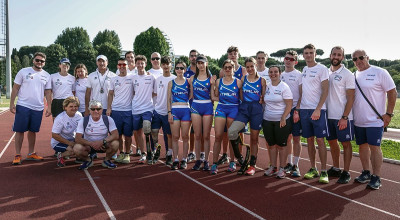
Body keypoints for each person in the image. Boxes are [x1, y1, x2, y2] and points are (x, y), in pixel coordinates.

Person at [352, 49, 397, 190]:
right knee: (362, 146)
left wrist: (388, 114)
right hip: (358, 120)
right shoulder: (353, 75)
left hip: (375, 120)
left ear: (367, 58)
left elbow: (392, 92)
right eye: (355, 59)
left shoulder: (380, 72)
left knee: (375, 147)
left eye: (361, 57)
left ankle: (376, 176)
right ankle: (366, 172)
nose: (358, 61)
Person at [10, 52, 52, 165]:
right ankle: (17, 154)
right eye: (37, 60)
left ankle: (31, 153)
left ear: (44, 62)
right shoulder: (23, 71)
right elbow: (15, 88)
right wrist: (11, 103)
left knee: (33, 131)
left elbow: (48, 92)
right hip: (23, 105)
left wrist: (49, 107)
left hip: (38, 107)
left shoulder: (47, 75)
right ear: (33, 60)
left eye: (42, 61)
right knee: (19, 130)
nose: (39, 62)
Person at [228, 57, 266, 175]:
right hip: (244, 109)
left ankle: (252, 165)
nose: (250, 69)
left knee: (254, 139)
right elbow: (240, 94)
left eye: (251, 66)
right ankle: (240, 158)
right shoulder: (243, 79)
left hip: (256, 110)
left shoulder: (262, 80)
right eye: (247, 67)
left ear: (255, 66)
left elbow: (263, 98)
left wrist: (260, 100)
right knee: (232, 131)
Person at [299, 44, 330, 184]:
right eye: (306, 53)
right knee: (309, 140)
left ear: (315, 54)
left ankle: (324, 171)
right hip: (304, 110)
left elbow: (325, 90)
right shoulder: (304, 69)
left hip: (318, 110)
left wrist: (318, 109)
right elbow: (302, 91)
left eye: (311, 52)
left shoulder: (322, 69)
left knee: (320, 140)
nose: (309, 55)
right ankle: (313, 168)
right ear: (303, 55)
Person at [326, 46, 355, 184]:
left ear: (342, 57)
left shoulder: (347, 74)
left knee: (346, 143)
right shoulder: (326, 72)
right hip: (328, 116)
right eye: (334, 54)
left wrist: (345, 117)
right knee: (332, 142)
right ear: (330, 55)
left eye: (339, 55)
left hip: (342, 117)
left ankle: (346, 171)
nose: (336, 57)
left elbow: (351, 98)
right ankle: (336, 168)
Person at [210, 59, 242, 175]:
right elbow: (214, 97)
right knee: (218, 136)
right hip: (222, 108)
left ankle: (232, 161)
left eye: (230, 67)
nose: (228, 69)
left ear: (234, 69)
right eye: (226, 67)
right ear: (223, 69)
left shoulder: (238, 82)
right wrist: (212, 85)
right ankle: (214, 163)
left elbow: (242, 98)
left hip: (234, 109)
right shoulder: (218, 81)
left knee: (232, 136)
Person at [263, 66, 293, 179]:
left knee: (281, 145)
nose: (273, 74)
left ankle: (282, 168)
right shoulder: (267, 86)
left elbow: (289, 104)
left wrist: (284, 117)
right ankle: (273, 167)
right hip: (267, 120)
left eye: (275, 72)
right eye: (271, 72)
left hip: (281, 121)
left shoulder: (284, 87)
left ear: (280, 73)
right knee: (271, 145)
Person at [74, 100, 119, 170]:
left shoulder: (108, 119)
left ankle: (107, 160)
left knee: (115, 143)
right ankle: (88, 160)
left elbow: (116, 135)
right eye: (93, 109)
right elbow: (77, 138)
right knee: (76, 148)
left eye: (98, 109)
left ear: (102, 110)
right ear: (89, 110)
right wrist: (91, 144)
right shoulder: (83, 120)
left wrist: (102, 142)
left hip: (103, 145)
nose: (96, 111)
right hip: (88, 146)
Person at [189, 54, 216, 171]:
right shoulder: (192, 79)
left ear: (206, 63)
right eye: (198, 63)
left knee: (206, 136)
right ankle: (198, 160)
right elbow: (189, 95)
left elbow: (214, 95)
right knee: (197, 135)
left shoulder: (211, 79)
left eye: (202, 63)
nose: (200, 65)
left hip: (207, 107)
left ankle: (206, 160)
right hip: (195, 106)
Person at [107, 58, 134, 164]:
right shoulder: (113, 79)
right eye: (120, 65)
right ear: (117, 66)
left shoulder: (132, 77)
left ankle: (127, 154)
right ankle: (121, 153)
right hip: (116, 110)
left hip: (128, 110)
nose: (122, 67)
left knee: (128, 135)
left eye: (124, 64)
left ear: (127, 65)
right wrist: (109, 108)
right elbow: (110, 94)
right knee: (118, 135)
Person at [280, 50, 303, 177]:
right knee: (287, 138)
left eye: (291, 59)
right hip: (283, 111)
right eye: (287, 58)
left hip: (295, 110)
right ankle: (289, 163)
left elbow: (301, 94)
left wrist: (297, 110)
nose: (288, 61)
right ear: (284, 59)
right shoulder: (280, 75)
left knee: (296, 138)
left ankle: (296, 165)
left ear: (295, 61)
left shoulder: (299, 75)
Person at [151, 56, 176, 166]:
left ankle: (169, 154)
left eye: (168, 64)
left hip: (169, 112)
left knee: (169, 135)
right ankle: (157, 150)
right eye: (164, 64)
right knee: (154, 132)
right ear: (161, 66)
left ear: (171, 65)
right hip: (158, 110)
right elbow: (155, 94)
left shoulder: (175, 79)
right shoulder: (158, 79)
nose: (166, 66)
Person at [132, 55, 156, 164]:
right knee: (137, 132)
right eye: (138, 63)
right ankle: (143, 153)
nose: (140, 65)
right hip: (136, 108)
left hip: (147, 107)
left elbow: (155, 92)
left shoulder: (151, 78)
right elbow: (132, 92)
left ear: (145, 64)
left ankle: (151, 150)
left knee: (147, 127)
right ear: (135, 64)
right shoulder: (133, 78)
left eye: (142, 63)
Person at [167, 61, 191, 169]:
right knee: (175, 137)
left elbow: (191, 95)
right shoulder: (171, 82)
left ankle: (184, 159)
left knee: (186, 136)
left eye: (182, 68)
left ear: (185, 70)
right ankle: (176, 159)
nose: (179, 70)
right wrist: (169, 113)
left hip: (186, 110)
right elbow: (168, 99)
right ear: (175, 69)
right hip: (175, 111)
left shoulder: (188, 82)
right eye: (177, 68)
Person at [51, 97, 82, 167]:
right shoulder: (60, 118)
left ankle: (79, 156)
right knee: (73, 150)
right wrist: (69, 143)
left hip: (72, 139)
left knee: (83, 148)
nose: (74, 108)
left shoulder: (79, 115)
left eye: (75, 106)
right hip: (58, 142)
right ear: (65, 107)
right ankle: (60, 155)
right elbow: (54, 135)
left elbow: (81, 130)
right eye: (71, 106)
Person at [185, 49, 199, 162]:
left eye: (195, 56)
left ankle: (201, 154)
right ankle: (191, 152)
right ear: (189, 58)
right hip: (188, 106)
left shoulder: (203, 72)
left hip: (201, 106)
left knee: (200, 131)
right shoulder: (185, 72)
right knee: (189, 131)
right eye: (192, 56)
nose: (194, 57)